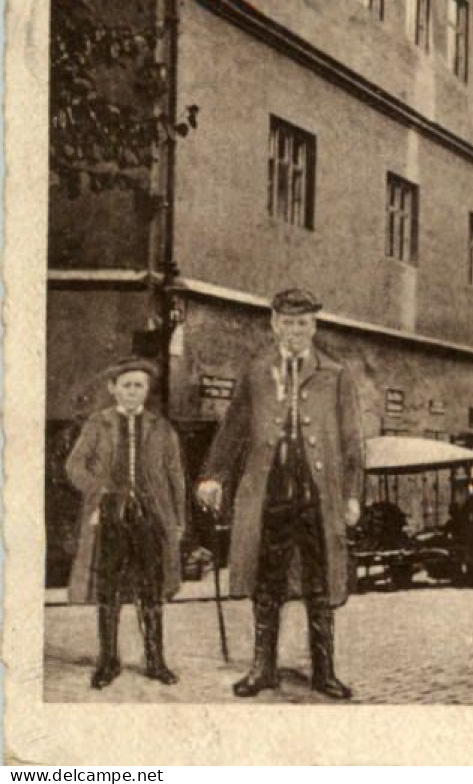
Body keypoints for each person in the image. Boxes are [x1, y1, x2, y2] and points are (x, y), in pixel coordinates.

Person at [196, 288, 365, 699]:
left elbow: (352, 441)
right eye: (287, 323)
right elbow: (234, 426)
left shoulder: (335, 374)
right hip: (269, 492)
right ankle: (263, 669)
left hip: (317, 496)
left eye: (303, 323)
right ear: (274, 324)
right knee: (266, 581)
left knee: (320, 583)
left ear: (314, 326)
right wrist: (213, 475)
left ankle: (324, 672)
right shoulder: (256, 371)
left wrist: (351, 495)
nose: (295, 331)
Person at [65, 357, 188, 689]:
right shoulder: (97, 423)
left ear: (147, 391)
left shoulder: (161, 428)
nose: (133, 392)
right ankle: (108, 662)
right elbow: (74, 465)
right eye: (127, 385)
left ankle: (156, 661)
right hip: (110, 516)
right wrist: (98, 487)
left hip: (150, 518)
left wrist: (178, 521)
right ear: (113, 388)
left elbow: (176, 476)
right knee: (109, 590)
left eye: (140, 386)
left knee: (151, 590)